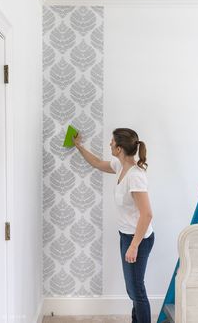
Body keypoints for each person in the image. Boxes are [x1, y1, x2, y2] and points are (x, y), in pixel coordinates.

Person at [73, 128, 154, 323]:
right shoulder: (120, 166)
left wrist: (134, 245)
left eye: (112, 142)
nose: (109, 144)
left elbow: (147, 214)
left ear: (119, 148)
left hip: (138, 239)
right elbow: (97, 163)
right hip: (126, 236)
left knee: (137, 290)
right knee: (132, 289)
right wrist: (78, 146)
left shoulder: (135, 176)